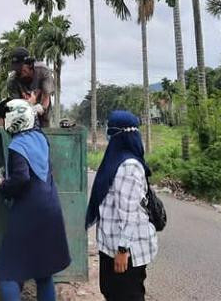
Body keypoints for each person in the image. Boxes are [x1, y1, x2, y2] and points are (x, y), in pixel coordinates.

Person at [0, 99, 70, 301]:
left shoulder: (18, 145)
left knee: (6, 269)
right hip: (51, 208)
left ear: (14, 119)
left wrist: (0, 184)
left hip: (30, 212)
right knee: (43, 271)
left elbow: (21, 179)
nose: (3, 123)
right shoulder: (41, 138)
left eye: (4, 119)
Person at [86, 110, 158, 301]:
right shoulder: (115, 162)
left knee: (127, 295)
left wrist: (123, 250)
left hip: (127, 251)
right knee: (111, 292)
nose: (108, 136)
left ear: (118, 135)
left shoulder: (128, 166)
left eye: (110, 132)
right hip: (110, 246)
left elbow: (129, 214)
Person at [6, 47, 55, 128]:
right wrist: (29, 105)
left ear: (30, 64)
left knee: (46, 132)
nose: (17, 72)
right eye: (15, 69)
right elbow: (16, 106)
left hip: (44, 116)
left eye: (20, 68)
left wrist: (41, 108)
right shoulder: (12, 81)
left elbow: (46, 96)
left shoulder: (43, 71)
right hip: (24, 118)